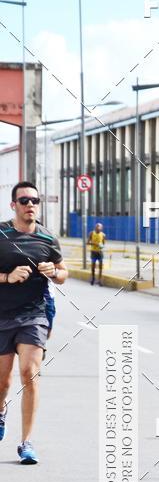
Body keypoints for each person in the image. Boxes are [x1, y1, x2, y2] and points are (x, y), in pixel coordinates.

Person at [0, 181, 68, 463]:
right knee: (2, 383)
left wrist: (55, 272)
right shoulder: (2, 234)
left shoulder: (47, 239)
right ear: (13, 205)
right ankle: (2, 411)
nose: (30, 205)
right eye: (24, 200)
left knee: (30, 372)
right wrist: (7, 277)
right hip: (2, 315)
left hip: (34, 314)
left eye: (34, 201)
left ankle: (26, 442)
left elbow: (64, 271)